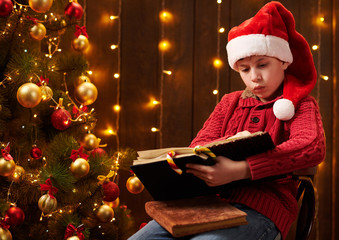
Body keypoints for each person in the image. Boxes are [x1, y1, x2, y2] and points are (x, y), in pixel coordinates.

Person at [128, 1, 325, 239]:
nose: (255, 77)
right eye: (245, 69)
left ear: (283, 60)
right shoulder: (229, 102)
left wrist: (242, 169)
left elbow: (311, 147)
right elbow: (200, 145)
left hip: (261, 210)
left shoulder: (301, 104)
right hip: (205, 204)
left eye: (263, 65)